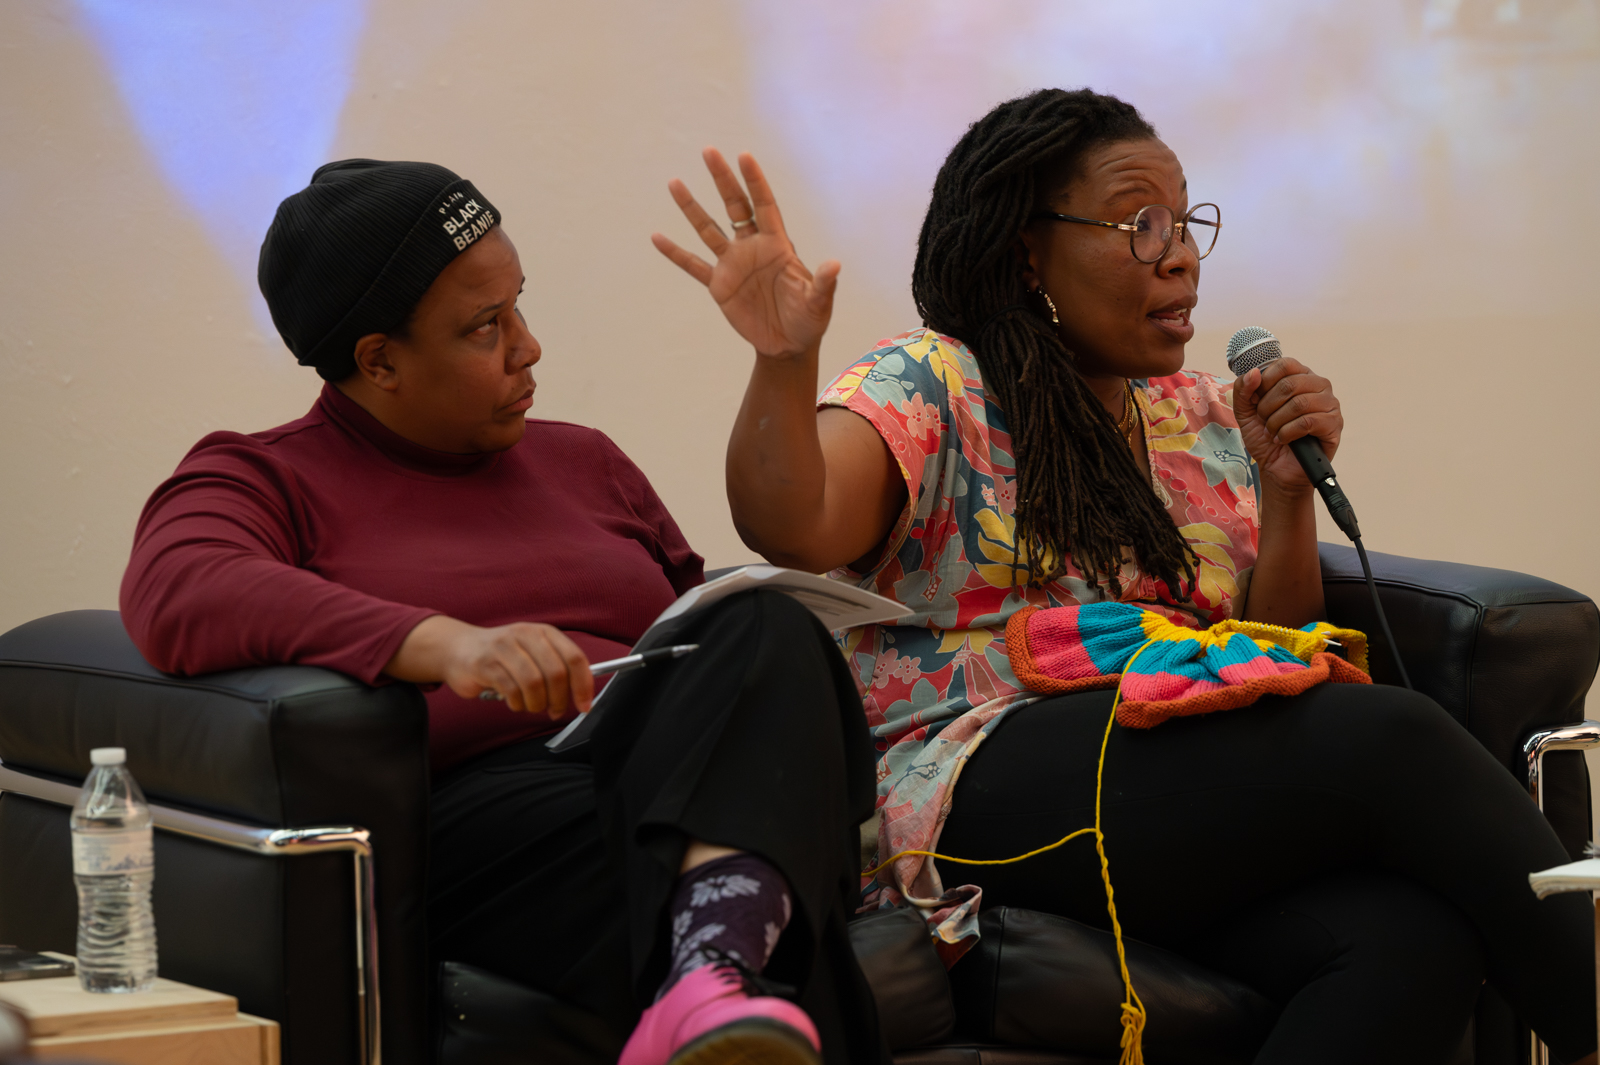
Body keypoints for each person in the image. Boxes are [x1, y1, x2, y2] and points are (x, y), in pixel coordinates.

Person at [653, 89, 1599, 1065]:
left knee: (1406, 939)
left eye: (1186, 222)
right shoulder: (934, 383)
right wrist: (783, 362)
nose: (1179, 253)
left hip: (1159, 785)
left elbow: (1269, 655)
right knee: (1391, 735)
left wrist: (1282, 496)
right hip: (963, 785)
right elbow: (790, 522)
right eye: (1139, 224)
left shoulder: (1200, 416)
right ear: (1028, 252)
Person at [120, 159, 886, 1065]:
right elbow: (180, 584)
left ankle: (711, 979)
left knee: (761, 627)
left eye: (518, 305)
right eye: (485, 327)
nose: (527, 347)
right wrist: (442, 643)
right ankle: (716, 969)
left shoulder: (586, 461)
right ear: (380, 361)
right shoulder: (267, 476)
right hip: (492, 817)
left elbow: (717, 659)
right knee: (764, 876)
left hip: (665, 781)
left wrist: (784, 360)